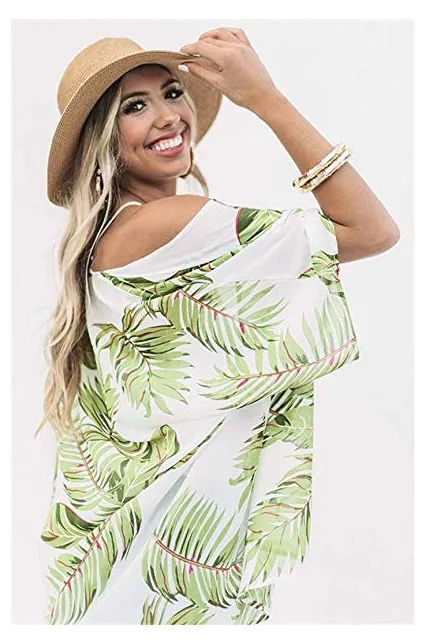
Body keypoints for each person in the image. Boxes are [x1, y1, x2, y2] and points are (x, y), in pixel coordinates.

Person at [35, 28, 400, 630]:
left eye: (172, 92)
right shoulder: (167, 225)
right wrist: (267, 98)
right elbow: (372, 230)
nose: (167, 115)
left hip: (145, 567)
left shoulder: (118, 235)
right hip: (165, 570)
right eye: (134, 106)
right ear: (103, 139)